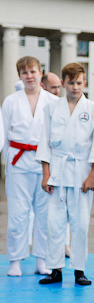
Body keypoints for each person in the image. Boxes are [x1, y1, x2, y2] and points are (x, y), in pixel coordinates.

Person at [36, 62, 94, 286]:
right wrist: (45, 173)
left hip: (82, 171)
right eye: (71, 83)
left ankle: (79, 270)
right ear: (63, 83)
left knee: (80, 223)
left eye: (79, 83)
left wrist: (93, 173)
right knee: (54, 223)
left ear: (85, 83)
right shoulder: (51, 108)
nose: (75, 87)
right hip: (57, 169)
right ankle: (55, 269)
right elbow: (45, 141)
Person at [3, 56, 56, 277]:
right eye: (24, 73)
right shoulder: (10, 101)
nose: (29, 76)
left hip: (45, 165)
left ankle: (41, 261)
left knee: (44, 216)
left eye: (33, 72)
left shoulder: (52, 102)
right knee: (18, 215)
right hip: (17, 164)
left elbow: (57, 136)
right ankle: (15, 260)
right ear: (19, 76)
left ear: (40, 73)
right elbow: (3, 133)